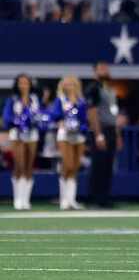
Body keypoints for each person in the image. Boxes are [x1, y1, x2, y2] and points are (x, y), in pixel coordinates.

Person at [2, 74, 42, 210]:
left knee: (29, 166)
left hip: (32, 134)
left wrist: (36, 122)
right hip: (17, 134)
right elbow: (7, 117)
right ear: (17, 85)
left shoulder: (35, 99)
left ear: (30, 85)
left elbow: (40, 115)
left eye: (26, 83)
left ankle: (26, 199)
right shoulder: (12, 99)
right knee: (19, 165)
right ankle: (17, 199)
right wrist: (16, 123)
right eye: (21, 83)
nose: (24, 85)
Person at [85, 61, 120, 208]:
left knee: (108, 165)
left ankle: (105, 197)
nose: (105, 70)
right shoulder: (93, 88)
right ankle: (96, 198)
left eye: (106, 68)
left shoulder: (110, 89)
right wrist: (98, 134)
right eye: (101, 68)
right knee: (98, 164)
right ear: (95, 72)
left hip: (111, 128)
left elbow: (114, 113)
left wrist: (117, 134)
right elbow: (92, 112)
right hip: (100, 129)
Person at [51, 76, 88, 210]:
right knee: (68, 164)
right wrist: (61, 122)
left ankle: (71, 199)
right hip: (64, 134)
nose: (70, 87)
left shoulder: (82, 101)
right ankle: (64, 199)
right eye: (67, 84)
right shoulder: (60, 100)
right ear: (63, 86)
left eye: (72, 84)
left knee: (75, 166)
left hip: (78, 135)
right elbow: (54, 115)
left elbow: (84, 119)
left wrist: (81, 127)